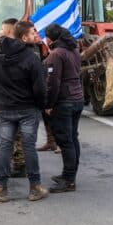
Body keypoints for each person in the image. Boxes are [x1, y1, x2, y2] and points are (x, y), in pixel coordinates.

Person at [0, 20, 48, 202]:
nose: (35, 35)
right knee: (29, 147)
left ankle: (1, 188)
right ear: (23, 36)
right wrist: (40, 105)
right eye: (32, 33)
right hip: (28, 108)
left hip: (5, 108)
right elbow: (40, 87)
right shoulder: (31, 57)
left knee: (5, 147)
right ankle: (35, 187)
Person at [43, 24, 84, 193]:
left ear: (50, 38)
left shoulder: (56, 54)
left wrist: (49, 104)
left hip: (64, 101)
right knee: (72, 138)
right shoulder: (73, 50)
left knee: (65, 141)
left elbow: (53, 83)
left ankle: (68, 180)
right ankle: (69, 175)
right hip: (77, 98)